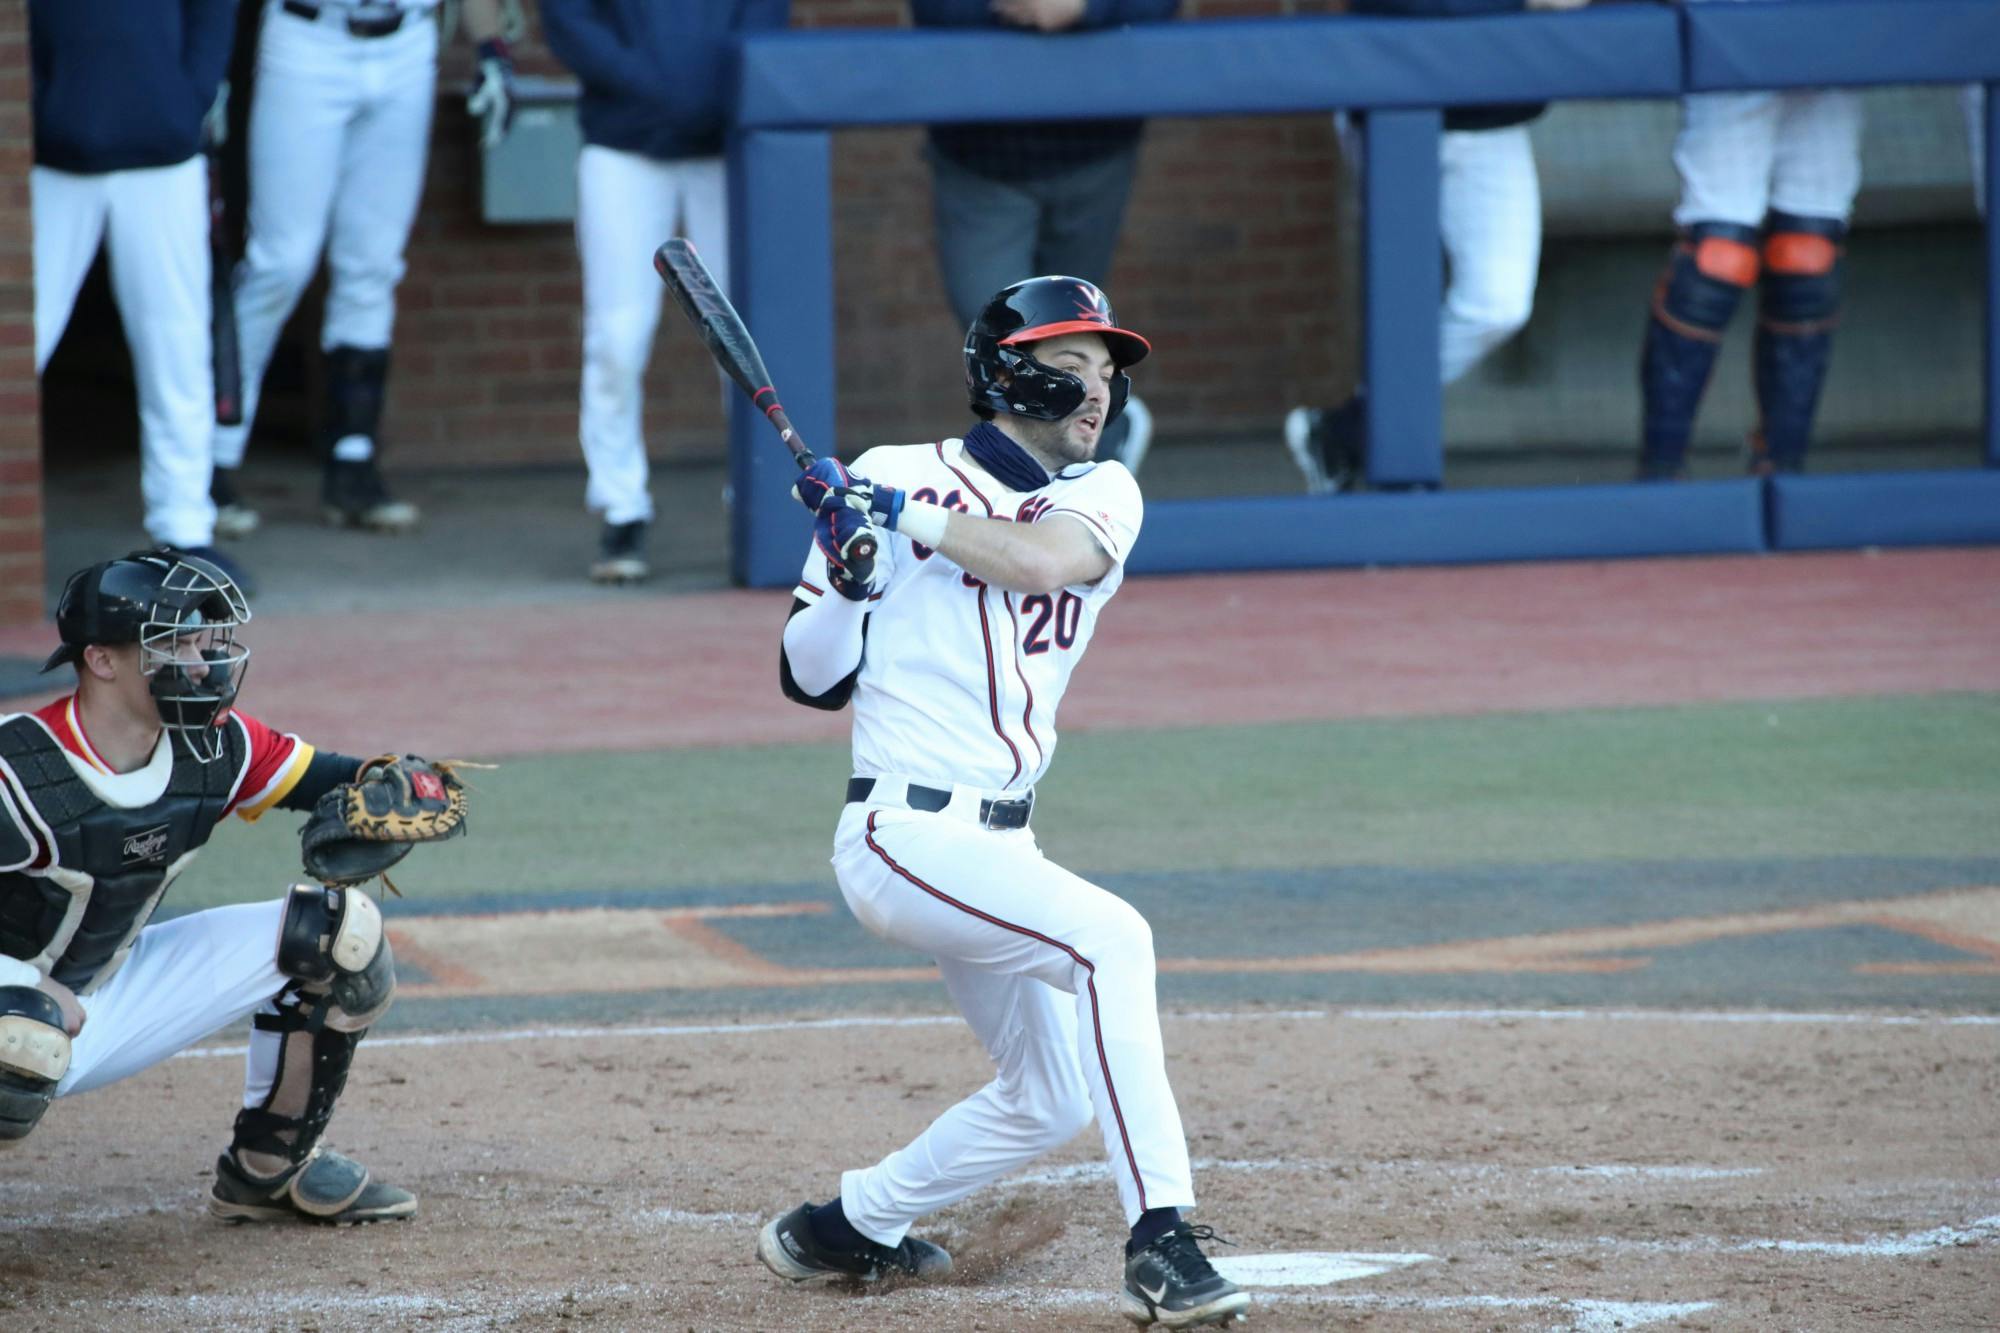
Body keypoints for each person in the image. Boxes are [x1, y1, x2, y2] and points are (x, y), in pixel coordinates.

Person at [753, 277, 1250, 1329]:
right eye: (1074, 369)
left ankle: (847, 1224)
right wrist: (847, 577)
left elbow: (1035, 561)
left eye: (1107, 375)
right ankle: (1161, 1235)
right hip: (897, 835)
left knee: (1050, 1096)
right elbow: (808, 675)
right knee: (1112, 939)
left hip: (999, 848)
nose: (1097, 394)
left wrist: (895, 521)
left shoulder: (1100, 493)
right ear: (1008, 368)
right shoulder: (892, 473)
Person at [0, 549, 457, 1223]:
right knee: (23, 1037)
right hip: (18, 1006)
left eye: (201, 640)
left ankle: (268, 1169)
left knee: (339, 934)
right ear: (102, 659)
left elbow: (337, 777)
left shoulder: (213, 745)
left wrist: (408, 784)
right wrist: (28, 989)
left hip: (105, 992)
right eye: (172, 642)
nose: (199, 661)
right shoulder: (19, 770)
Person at [208, 0, 514, 535]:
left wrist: (491, 49)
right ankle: (210, 459)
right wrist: (207, 61)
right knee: (280, 262)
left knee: (372, 264)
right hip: (308, 37)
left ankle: (352, 460)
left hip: (406, 40)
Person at [1282, 0, 1592, 495]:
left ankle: (1349, 427)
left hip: (1492, 113)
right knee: (1405, 299)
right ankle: (1399, 473)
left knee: (1499, 304)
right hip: (1394, 99)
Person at [541, 0, 790, 585]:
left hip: (725, 143)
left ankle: (758, 502)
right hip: (624, 142)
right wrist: (659, 90)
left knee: (744, 335)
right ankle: (621, 505)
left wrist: (705, 97)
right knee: (617, 336)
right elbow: (570, 22)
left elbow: (765, 18)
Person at [28, 0, 252, 586]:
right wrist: (39, 110)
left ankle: (184, 532)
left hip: (163, 153)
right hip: (51, 159)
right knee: (20, 340)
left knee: (176, 345)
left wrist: (186, 100)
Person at [912, 0, 1178, 476]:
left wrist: (1085, 6)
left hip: (1096, 141)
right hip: (980, 150)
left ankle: (1085, 466)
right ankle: (1085, 456)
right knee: (1003, 336)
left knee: (1074, 332)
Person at [1637, 0, 1862, 480]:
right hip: (1732, 28)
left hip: (1834, 32)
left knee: (1808, 255)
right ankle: (1661, 470)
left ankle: (1782, 465)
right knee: (1717, 257)